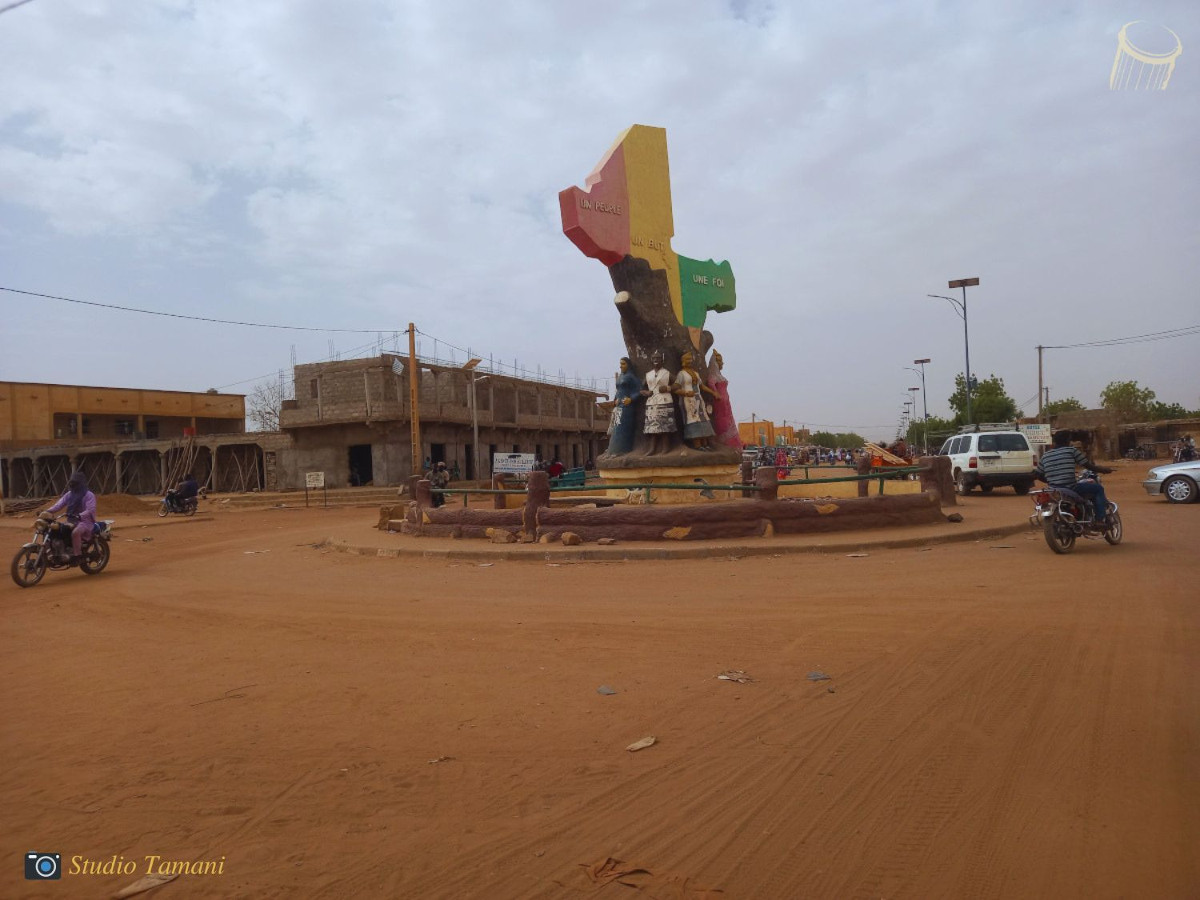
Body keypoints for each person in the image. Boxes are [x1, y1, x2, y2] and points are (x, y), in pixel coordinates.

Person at [1036, 430, 1113, 523]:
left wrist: (1052, 480)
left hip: (1053, 489)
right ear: (1068, 440)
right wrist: (1104, 470)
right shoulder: (1071, 451)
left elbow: (1038, 475)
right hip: (1071, 487)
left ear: (1054, 441)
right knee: (1098, 489)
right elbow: (1088, 466)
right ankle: (1100, 519)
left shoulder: (1045, 455)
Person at [41, 470, 96, 566]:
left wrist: (80, 515)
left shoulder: (89, 495)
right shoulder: (69, 494)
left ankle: (77, 556)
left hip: (85, 522)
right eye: (72, 482)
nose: (73, 485)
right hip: (71, 521)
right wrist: (46, 511)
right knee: (54, 531)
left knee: (75, 532)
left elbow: (90, 510)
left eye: (75, 483)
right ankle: (57, 552)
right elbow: (58, 505)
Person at [673, 350, 716, 450]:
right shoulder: (681, 374)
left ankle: (705, 444)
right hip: (688, 401)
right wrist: (686, 393)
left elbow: (702, 386)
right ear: (683, 361)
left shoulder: (696, 374)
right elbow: (675, 388)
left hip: (698, 399)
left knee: (703, 419)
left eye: (691, 359)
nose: (690, 361)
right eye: (688, 359)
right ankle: (698, 445)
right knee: (693, 420)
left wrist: (713, 392)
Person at [640, 350, 677, 455]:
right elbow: (640, 388)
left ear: (662, 360)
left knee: (665, 426)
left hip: (665, 400)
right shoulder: (648, 375)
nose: (656, 360)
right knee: (652, 427)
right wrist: (645, 392)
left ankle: (666, 447)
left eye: (658, 358)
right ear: (651, 360)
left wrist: (668, 388)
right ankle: (652, 448)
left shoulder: (667, 373)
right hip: (652, 402)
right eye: (654, 358)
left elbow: (678, 384)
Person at [607, 357, 641, 456]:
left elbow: (639, 390)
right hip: (619, 406)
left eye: (623, 364)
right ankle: (614, 449)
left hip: (627, 407)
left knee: (623, 428)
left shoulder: (631, 377)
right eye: (620, 364)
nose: (620, 366)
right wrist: (615, 399)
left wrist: (631, 399)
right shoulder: (620, 376)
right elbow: (618, 391)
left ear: (628, 365)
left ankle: (623, 450)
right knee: (616, 428)